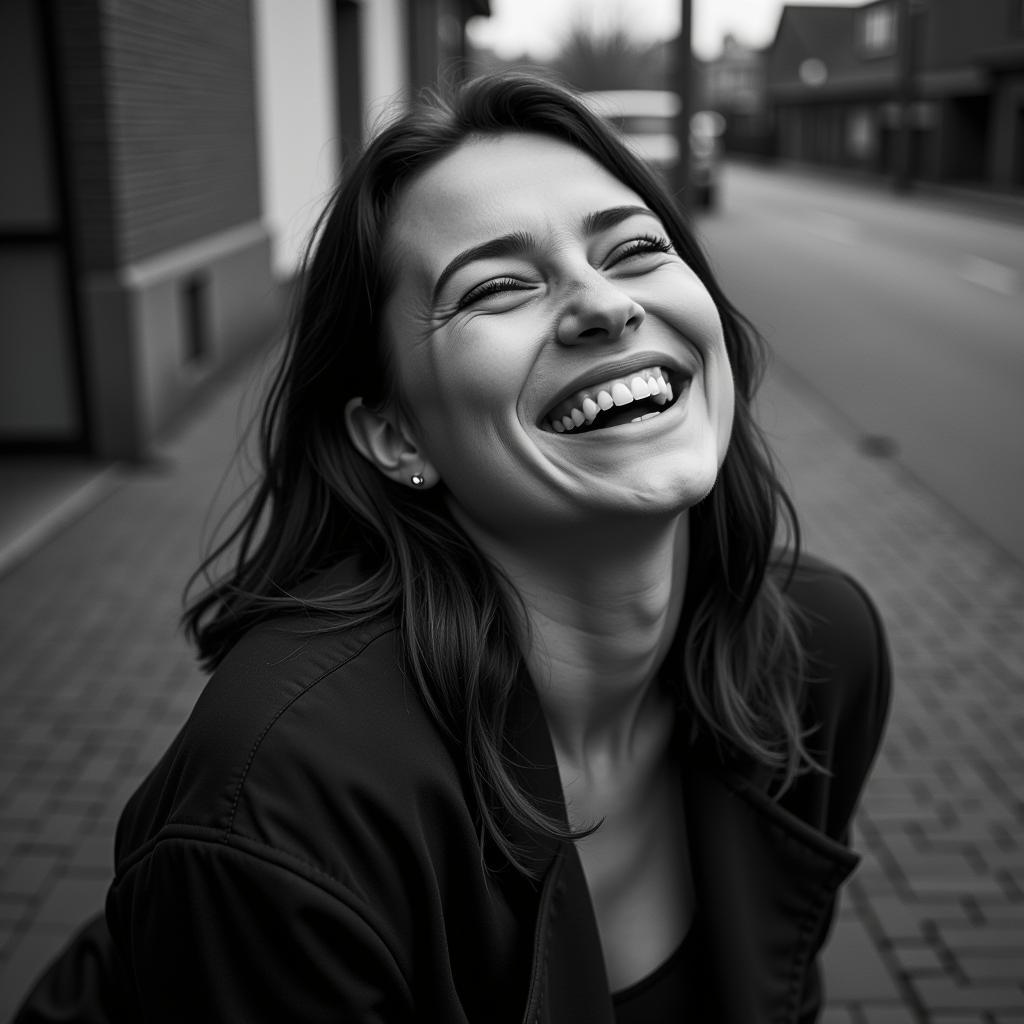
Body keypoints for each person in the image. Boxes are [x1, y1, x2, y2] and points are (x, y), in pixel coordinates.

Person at [15, 72, 890, 1023]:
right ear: (397, 435)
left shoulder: (817, 652)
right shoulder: (287, 801)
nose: (604, 304)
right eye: (499, 286)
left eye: (636, 247)